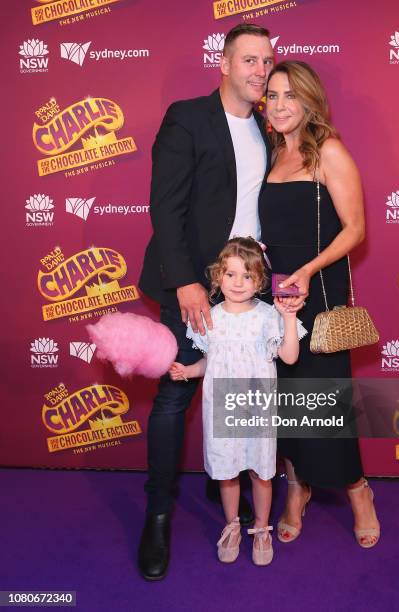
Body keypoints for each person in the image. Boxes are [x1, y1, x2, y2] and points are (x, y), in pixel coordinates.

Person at [138, 24, 275, 580]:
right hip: (193, 281)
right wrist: (185, 281)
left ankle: (234, 485)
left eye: (267, 61)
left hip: (245, 281)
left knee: (241, 387)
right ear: (223, 63)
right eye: (249, 60)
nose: (260, 71)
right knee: (175, 397)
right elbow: (164, 207)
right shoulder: (187, 117)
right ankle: (159, 514)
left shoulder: (268, 126)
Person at [259, 61, 380, 548]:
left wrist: (309, 270)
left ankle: (358, 491)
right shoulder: (269, 154)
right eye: (272, 95)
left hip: (319, 297)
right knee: (284, 403)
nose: (280, 105)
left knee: (326, 404)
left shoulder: (328, 150)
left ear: (310, 100)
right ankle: (297, 488)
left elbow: (355, 229)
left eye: (290, 95)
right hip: (276, 301)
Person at [168, 237, 305, 566]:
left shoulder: (267, 316)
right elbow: (210, 361)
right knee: (227, 473)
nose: (238, 283)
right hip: (222, 409)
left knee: (261, 473)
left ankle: (261, 528)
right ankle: (231, 526)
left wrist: (288, 318)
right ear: (218, 277)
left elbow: (288, 356)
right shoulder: (210, 318)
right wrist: (189, 370)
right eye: (230, 275)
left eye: (247, 276)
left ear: (259, 281)